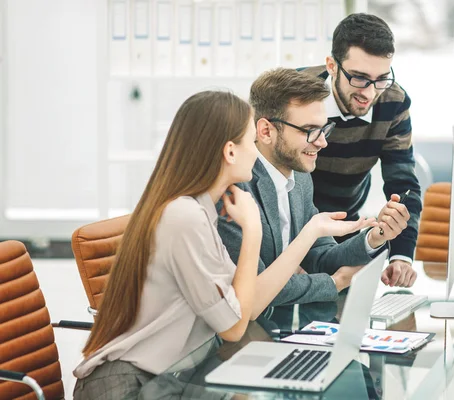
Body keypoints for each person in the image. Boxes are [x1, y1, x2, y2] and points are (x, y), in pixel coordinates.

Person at [72, 91, 263, 399]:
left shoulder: (196, 211)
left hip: (168, 377)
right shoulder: (184, 217)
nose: (257, 152)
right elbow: (233, 329)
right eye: (253, 141)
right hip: (126, 387)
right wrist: (253, 230)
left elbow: (242, 307)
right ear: (230, 151)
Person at [217, 68, 410, 319]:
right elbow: (256, 289)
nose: (322, 142)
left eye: (323, 129)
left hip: (277, 328)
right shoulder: (235, 187)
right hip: (237, 334)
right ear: (265, 131)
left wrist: (374, 237)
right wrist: (334, 283)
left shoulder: (300, 178)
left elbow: (319, 256)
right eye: (309, 130)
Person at [299, 13, 422, 288]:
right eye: (359, 78)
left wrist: (401, 255)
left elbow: (403, 184)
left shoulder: (393, 102)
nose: (369, 93)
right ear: (332, 65)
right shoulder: (294, 95)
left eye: (381, 78)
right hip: (291, 229)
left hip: (345, 223)